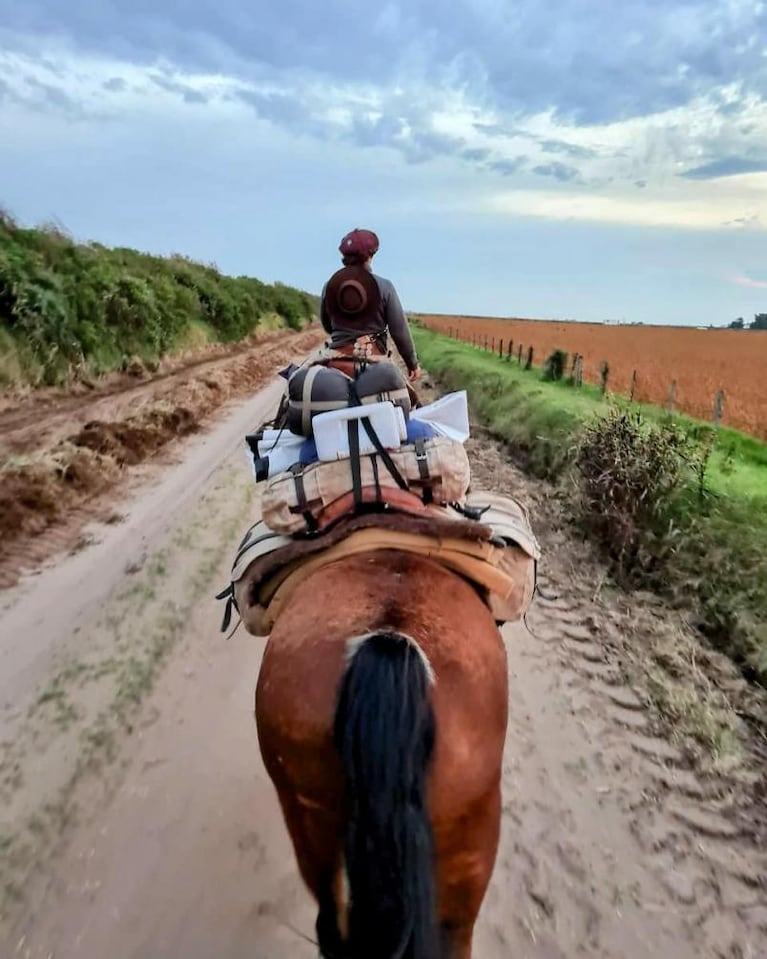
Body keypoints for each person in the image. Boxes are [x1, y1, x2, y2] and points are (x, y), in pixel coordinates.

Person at [320, 228, 421, 382]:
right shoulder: (384, 286)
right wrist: (412, 363)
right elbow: (399, 331)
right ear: (371, 255)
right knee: (411, 402)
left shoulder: (329, 286)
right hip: (374, 356)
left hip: (335, 354)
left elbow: (327, 325)